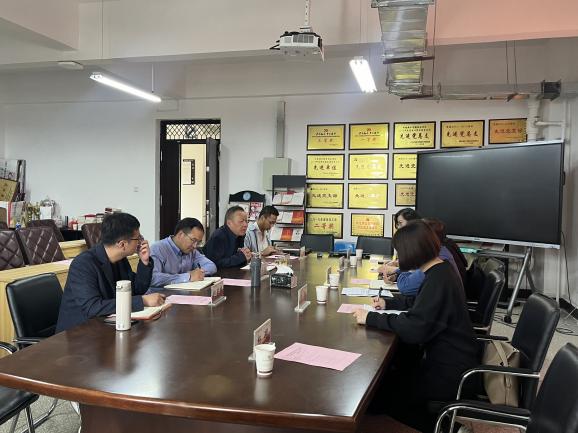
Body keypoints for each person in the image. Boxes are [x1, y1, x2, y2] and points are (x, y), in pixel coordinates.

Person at [352, 220, 478, 433]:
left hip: (448, 370)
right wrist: (388, 304)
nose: (398, 257)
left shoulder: (438, 279)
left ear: (411, 252)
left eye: (399, 252)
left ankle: (450, 428)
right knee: (388, 381)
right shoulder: (440, 270)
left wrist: (371, 318)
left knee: (378, 399)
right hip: (447, 357)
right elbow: (419, 303)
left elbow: (414, 329)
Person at [56, 213, 164, 333]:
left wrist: (144, 262)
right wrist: (143, 301)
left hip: (105, 326)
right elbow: (93, 307)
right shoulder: (83, 264)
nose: (141, 242)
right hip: (78, 333)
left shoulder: (120, 259)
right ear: (122, 244)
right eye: (138, 238)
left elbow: (137, 289)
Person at [150, 217, 217, 286]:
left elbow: (211, 266)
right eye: (193, 240)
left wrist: (198, 273)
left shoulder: (192, 251)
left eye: (198, 242)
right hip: (162, 292)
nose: (195, 246)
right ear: (180, 235)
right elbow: (152, 278)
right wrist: (187, 276)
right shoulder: (158, 249)